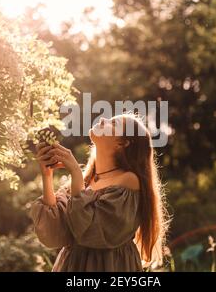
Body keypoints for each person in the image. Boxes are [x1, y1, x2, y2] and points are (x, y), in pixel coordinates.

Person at [28, 113, 169, 271]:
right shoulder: (86, 179)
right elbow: (54, 233)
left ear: (122, 143)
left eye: (114, 124)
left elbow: (92, 232)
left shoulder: (128, 180)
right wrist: (47, 176)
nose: (103, 119)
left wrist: (74, 171)